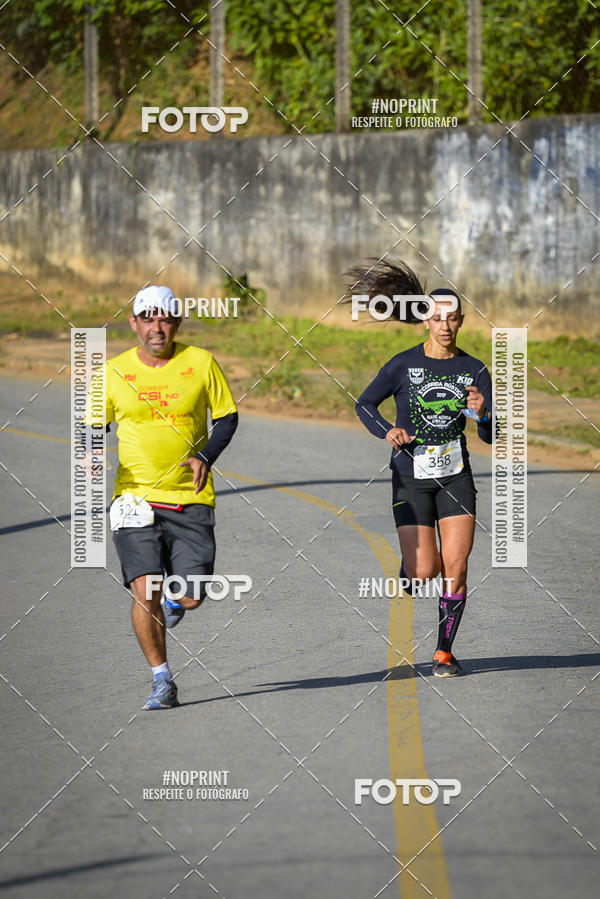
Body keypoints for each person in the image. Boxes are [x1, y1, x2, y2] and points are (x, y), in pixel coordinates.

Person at [87, 285, 238, 709]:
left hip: (190, 497)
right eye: (148, 319)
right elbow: (93, 428)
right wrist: (92, 454)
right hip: (133, 500)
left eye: (165, 318)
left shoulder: (200, 362)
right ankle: (161, 679)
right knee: (144, 590)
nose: (157, 327)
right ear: (133, 322)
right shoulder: (114, 372)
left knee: (190, 595)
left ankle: (177, 599)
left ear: (177, 322)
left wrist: (205, 456)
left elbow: (227, 417)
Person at [351, 261, 493, 677]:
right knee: (423, 571)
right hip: (411, 475)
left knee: (457, 564)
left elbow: (490, 435)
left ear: (461, 321)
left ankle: (444, 652)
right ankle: (411, 568)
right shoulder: (401, 365)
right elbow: (364, 404)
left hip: (455, 475)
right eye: (436, 317)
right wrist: (388, 431)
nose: (444, 324)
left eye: (451, 317)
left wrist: (483, 414)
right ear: (424, 321)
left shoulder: (475, 369)